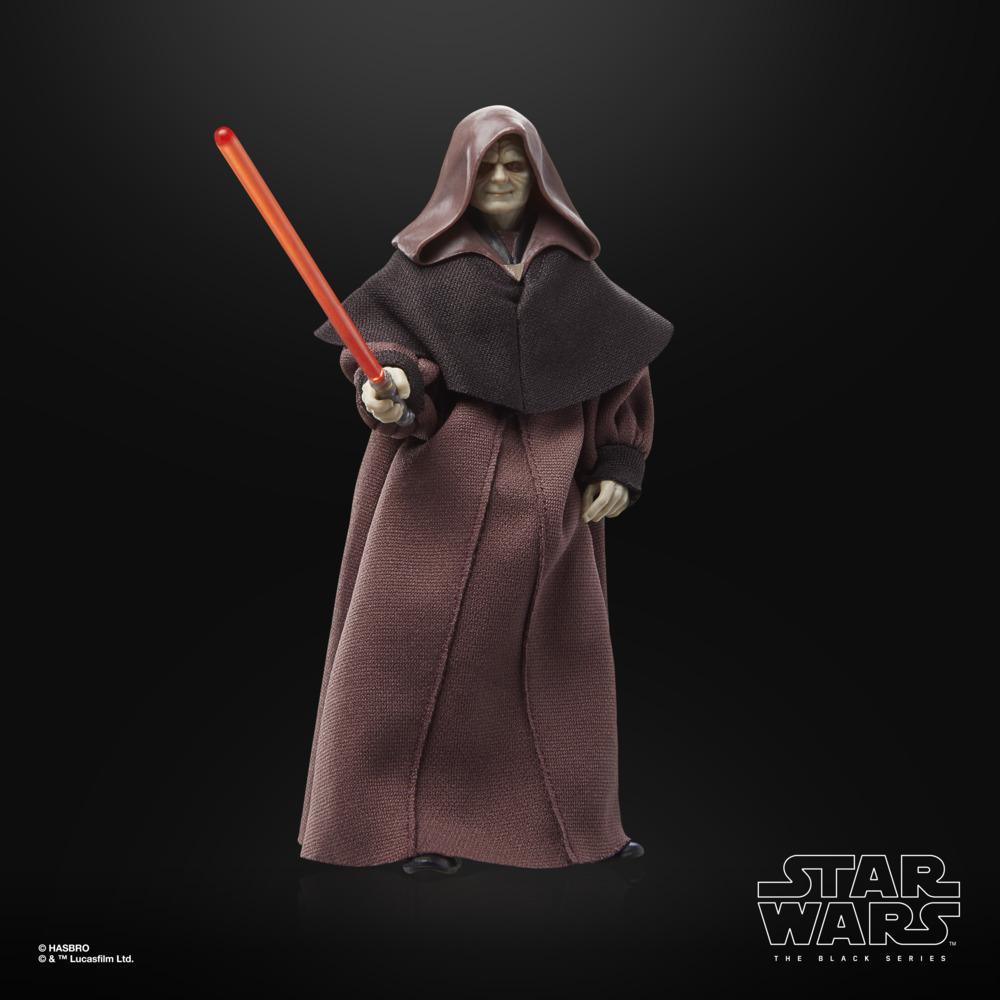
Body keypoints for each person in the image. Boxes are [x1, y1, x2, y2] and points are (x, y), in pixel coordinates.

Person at [297, 105, 673, 874]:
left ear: (538, 177)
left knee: (561, 662)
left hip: (551, 494)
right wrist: (389, 389)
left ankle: (579, 830)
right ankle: (405, 830)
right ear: (462, 179)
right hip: (439, 495)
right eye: (488, 165)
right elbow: (389, 355)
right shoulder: (423, 271)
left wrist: (618, 461)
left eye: (515, 164)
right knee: (409, 664)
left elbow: (620, 372)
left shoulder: (572, 274)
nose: (502, 178)